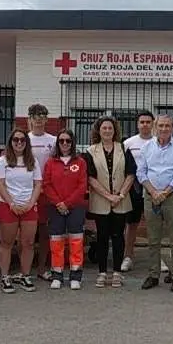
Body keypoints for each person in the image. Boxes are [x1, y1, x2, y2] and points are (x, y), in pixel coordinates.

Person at [136, 115, 173, 292]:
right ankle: (153, 274)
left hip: (172, 196)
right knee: (153, 238)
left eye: (168, 126)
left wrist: (164, 193)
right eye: (161, 125)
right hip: (151, 196)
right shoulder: (146, 147)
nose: (164, 129)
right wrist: (153, 192)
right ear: (155, 127)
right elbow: (141, 173)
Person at [84, 116, 136, 288]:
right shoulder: (91, 151)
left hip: (121, 201)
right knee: (102, 237)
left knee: (118, 236)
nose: (107, 131)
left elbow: (130, 174)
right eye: (104, 128)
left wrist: (120, 195)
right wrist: (108, 196)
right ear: (98, 130)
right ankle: (101, 272)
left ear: (115, 131)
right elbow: (90, 177)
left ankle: (117, 273)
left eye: (110, 128)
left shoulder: (123, 148)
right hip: (101, 201)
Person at [0, 127, 42, 293]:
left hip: (29, 206)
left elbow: (38, 184)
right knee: (7, 243)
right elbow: (0, 184)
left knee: (28, 243)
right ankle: (5, 277)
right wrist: (12, 203)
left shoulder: (33, 161)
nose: (19, 142)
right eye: (16, 140)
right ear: (11, 142)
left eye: (22, 140)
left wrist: (30, 203)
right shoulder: (3, 161)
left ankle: (25, 275)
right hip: (8, 205)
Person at [42, 129, 88, 290]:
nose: (65, 144)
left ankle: (76, 275)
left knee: (76, 242)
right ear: (57, 143)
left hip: (75, 207)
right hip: (55, 208)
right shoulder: (50, 162)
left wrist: (67, 204)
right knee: (56, 242)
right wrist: (58, 203)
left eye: (68, 141)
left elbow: (82, 186)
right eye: (61, 141)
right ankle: (57, 275)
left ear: (72, 143)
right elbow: (46, 185)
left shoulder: (80, 162)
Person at [121, 110, 155, 272]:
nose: (145, 125)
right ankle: (128, 256)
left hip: (154, 189)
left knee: (155, 224)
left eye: (148, 122)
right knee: (131, 224)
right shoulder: (128, 143)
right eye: (142, 122)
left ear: (153, 124)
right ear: (137, 124)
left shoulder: (159, 142)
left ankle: (157, 258)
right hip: (133, 190)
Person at [27, 103, 57, 281]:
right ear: (29, 119)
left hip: (46, 192)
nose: (38, 120)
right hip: (26, 191)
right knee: (27, 233)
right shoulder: (24, 139)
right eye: (35, 117)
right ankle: (25, 268)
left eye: (42, 117)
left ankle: (41, 267)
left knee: (45, 231)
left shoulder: (53, 141)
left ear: (46, 119)